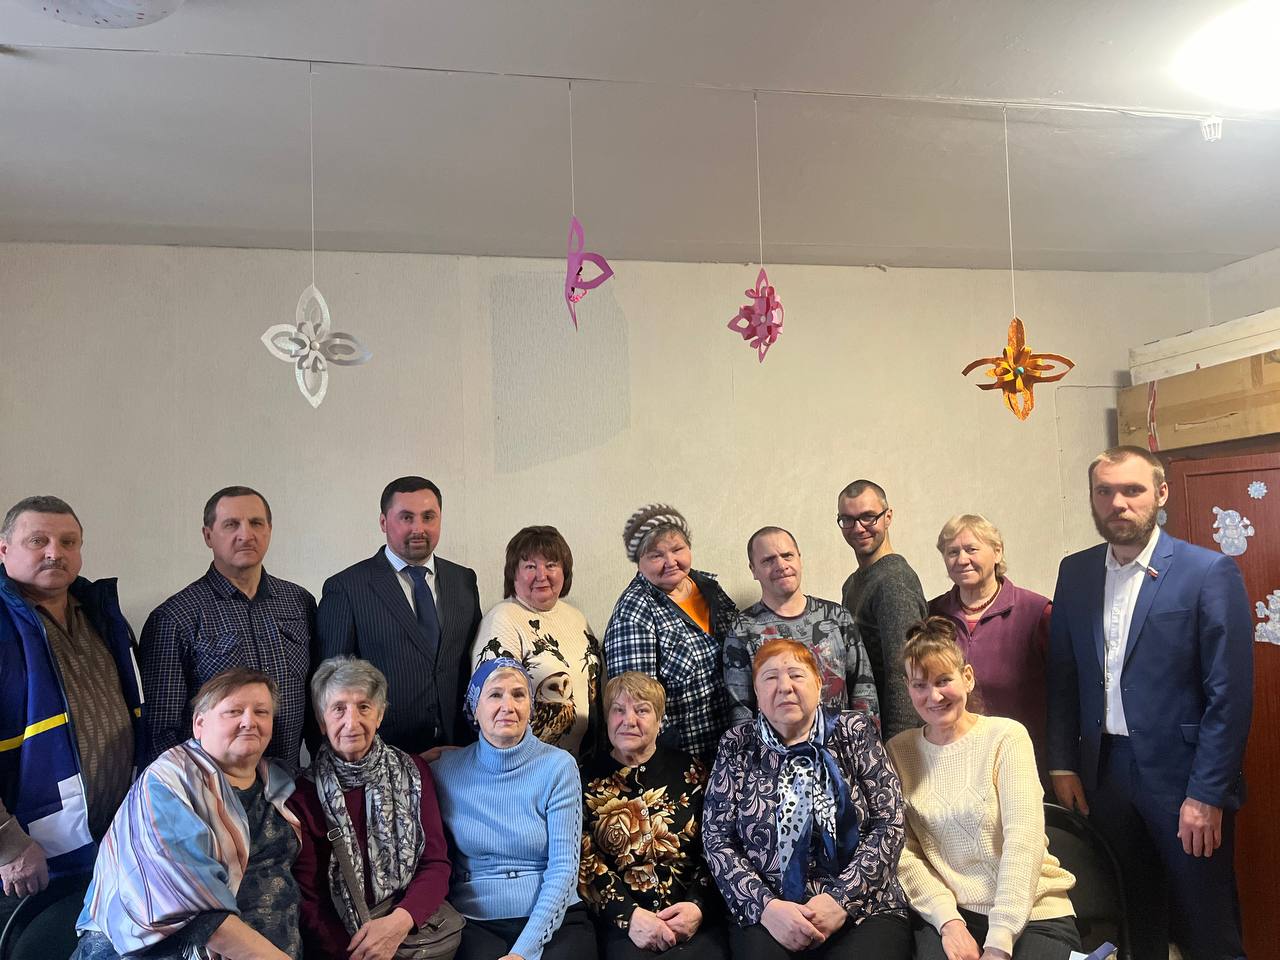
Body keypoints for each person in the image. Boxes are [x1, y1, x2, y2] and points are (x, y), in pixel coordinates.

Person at [1047, 445, 1253, 960]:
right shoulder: (1075, 573)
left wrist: (1206, 793)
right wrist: (1063, 764)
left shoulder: (1207, 572)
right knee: (1133, 916)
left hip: (1184, 779)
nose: (1118, 503)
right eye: (1105, 491)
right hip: (1105, 776)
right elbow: (1064, 676)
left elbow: (1229, 697)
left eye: (1132, 490)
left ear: (1160, 494)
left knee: (1206, 923)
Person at [0, 496, 145, 960]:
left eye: (68, 542)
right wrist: (7, 843)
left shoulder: (100, 613)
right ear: (4, 550)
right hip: (28, 858)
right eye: (37, 541)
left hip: (109, 844)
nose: (54, 552)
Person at [72, 668, 301, 960]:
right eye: (234, 711)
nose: (249, 721)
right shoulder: (168, 783)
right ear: (199, 724)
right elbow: (192, 907)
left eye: (261, 712)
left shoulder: (280, 782)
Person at [702, 639, 910, 959]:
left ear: (818, 683)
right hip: (769, 913)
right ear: (756, 692)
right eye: (770, 678)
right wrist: (767, 907)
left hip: (864, 906)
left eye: (796, 675)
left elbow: (890, 824)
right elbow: (717, 838)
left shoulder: (854, 730)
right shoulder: (736, 744)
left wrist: (841, 900)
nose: (784, 687)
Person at [886, 617, 1079, 960]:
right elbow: (904, 852)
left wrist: (999, 942)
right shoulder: (899, 750)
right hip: (952, 915)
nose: (933, 696)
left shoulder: (1006, 737)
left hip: (1033, 910)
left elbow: (1023, 841)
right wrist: (949, 922)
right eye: (920, 685)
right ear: (907, 688)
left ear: (968, 677)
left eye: (944, 680)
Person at [288, 657, 452, 960]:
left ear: (379, 715)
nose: (352, 722)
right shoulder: (303, 795)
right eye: (338, 709)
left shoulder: (413, 772)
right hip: (345, 948)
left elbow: (436, 864)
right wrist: (362, 952)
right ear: (322, 722)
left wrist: (399, 923)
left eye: (364, 707)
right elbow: (310, 902)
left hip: (412, 932)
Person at [140, 485, 314, 768]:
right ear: (208, 535)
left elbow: (316, 698)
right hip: (214, 785)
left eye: (256, 523)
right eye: (231, 524)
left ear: (269, 530)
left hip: (290, 779)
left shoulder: (298, 602)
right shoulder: (175, 617)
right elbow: (163, 732)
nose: (246, 535)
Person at [431, 658, 594, 960]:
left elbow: (564, 869)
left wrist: (522, 952)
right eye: (495, 694)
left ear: (531, 707)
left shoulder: (558, 767)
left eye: (519, 695)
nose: (508, 706)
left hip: (554, 917)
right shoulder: (445, 771)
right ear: (475, 709)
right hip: (475, 922)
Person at [316, 477, 482, 757]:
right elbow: (331, 685)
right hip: (384, 757)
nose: (418, 528)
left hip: (462, 750)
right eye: (406, 517)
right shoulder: (346, 588)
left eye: (428, 517)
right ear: (383, 522)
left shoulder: (463, 580)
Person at [579, 672, 727, 960]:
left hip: (695, 921)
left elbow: (716, 846)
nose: (628, 720)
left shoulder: (693, 772)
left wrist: (698, 906)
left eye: (642, 710)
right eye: (618, 710)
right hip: (624, 927)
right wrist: (629, 916)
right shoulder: (583, 779)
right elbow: (585, 863)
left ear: (660, 721)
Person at [604, 505, 738, 762]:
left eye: (677, 549)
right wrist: (671, 765)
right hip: (686, 759)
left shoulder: (708, 587)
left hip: (731, 744)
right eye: (656, 555)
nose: (671, 562)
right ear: (638, 562)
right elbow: (635, 705)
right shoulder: (633, 612)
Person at [927, 514, 1052, 777]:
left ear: (997, 552)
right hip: (953, 764)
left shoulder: (1036, 613)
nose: (962, 559)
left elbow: (1065, 693)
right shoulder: (932, 614)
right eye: (952, 552)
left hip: (1023, 764)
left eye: (971, 549)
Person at [724, 526, 879, 726]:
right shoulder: (742, 630)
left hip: (841, 742)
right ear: (753, 570)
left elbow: (863, 689)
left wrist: (869, 740)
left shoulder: (837, 617)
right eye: (768, 560)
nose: (781, 565)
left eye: (787, 556)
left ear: (799, 559)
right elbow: (741, 713)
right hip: (775, 745)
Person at [472, 526, 604, 760]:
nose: (542, 575)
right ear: (513, 574)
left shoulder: (576, 618)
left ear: (565, 572)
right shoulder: (503, 620)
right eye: (530, 567)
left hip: (583, 762)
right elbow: (494, 706)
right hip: (529, 765)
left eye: (551, 565)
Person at [836, 480, 926, 740]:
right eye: (847, 519)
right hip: (866, 734)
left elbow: (905, 671)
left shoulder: (893, 580)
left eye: (868, 517)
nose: (858, 528)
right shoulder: (852, 584)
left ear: (888, 517)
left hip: (893, 739)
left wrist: (899, 745)